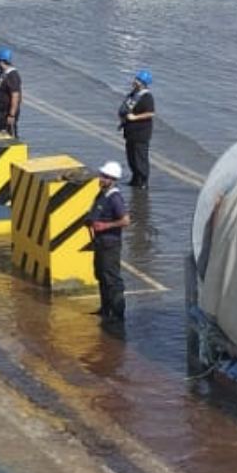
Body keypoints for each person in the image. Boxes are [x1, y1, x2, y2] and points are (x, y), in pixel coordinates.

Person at [89, 160, 129, 332]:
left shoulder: (115, 198)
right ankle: (105, 309)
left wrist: (106, 226)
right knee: (100, 275)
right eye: (101, 175)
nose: (101, 178)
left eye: (104, 177)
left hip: (110, 245)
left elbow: (125, 220)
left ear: (112, 179)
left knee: (112, 279)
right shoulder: (102, 194)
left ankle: (118, 316)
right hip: (99, 243)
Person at [117, 68, 156, 188]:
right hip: (130, 132)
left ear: (143, 83)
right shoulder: (133, 93)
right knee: (131, 157)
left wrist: (135, 117)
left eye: (138, 79)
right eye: (136, 78)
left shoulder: (147, 97)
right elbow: (127, 107)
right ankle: (135, 178)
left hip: (141, 132)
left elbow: (151, 113)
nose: (134, 81)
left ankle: (143, 181)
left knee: (140, 158)